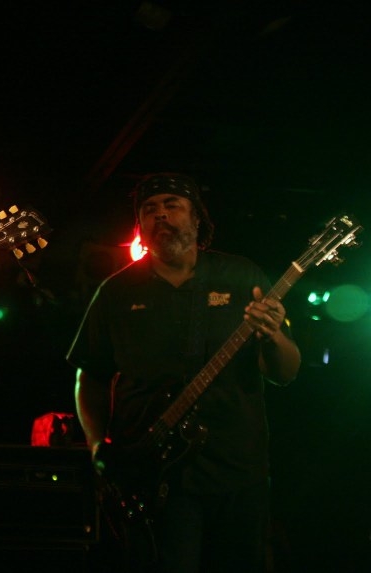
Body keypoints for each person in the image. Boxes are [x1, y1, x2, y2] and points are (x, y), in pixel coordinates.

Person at [66, 172, 301, 573]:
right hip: (155, 472)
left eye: (172, 205)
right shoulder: (117, 292)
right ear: (139, 225)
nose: (160, 215)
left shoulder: (241, 275)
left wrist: (274, 336)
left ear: (196, 219)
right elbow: (90, 377)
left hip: (236, 468)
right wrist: (95, 445)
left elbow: (286, 372)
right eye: (149, 209)